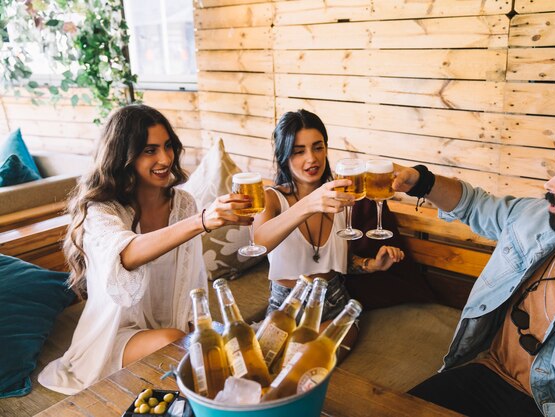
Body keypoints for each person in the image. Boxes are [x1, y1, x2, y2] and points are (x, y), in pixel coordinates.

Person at [392, 119, 555, 417]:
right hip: (483, 374)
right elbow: (475, 205)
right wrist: (422, 182)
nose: (550, 184)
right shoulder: (536, 219)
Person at [38, 104, 253, 395]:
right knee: (175, 342)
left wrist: (197, 326)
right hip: (115, 336)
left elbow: (189, 279)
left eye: (167, 146)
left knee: (236, 348)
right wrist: (202, 221)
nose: (165, 158)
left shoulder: (184, 203)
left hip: (171, 325)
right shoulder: (101, 211)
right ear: (123, 156)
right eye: (149, 150)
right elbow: (125, 254)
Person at [254, 109, 405, 348]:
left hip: (335, 304)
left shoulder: (342, 196)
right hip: (285, 308)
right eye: (299, 151)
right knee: (271, 368)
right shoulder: (271, 198)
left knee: (308, 367)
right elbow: (259, 244)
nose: (312, 158)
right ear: (284, 155)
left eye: (318, 147)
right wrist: (308, 204)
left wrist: (371, 265)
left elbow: (338, 261)